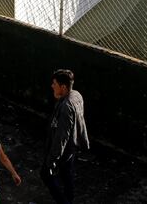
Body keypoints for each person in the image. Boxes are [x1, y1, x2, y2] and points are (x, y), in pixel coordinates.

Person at [41, 69, 89, 204]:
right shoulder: (77, 95)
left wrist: (51, 160)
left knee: (45, 175)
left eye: (54, 83)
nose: (52, 86)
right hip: (72, 147)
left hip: (65, 149)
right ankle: (69, 200)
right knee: (67, 175)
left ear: (63, 87)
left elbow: (61, 138)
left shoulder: (66, 107)